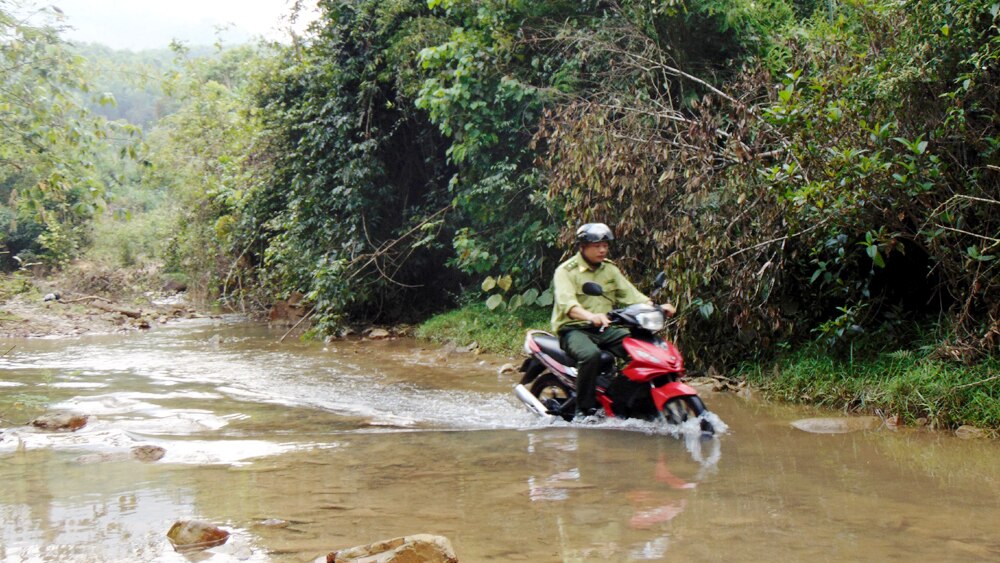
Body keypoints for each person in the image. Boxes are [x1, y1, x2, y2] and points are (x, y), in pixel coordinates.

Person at [551, 223, 676, 419]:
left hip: (605, 328)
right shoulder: (566, 271)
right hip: (574, 329)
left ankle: (627, 400)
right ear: (582, 246)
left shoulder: (609, 269)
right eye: (596, 245)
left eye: (605, 245)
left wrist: (657, 307)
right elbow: (569, 306)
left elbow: (631, 295)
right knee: (590, 355)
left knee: (641, 348)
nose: (602, 249)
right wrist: (591, 316)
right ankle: (584, 410)